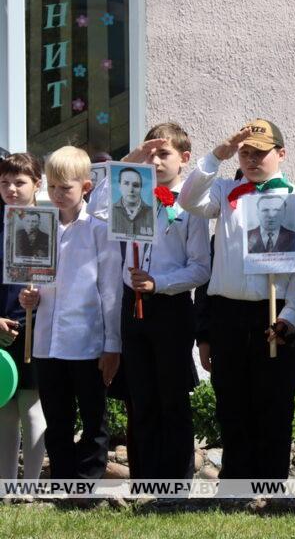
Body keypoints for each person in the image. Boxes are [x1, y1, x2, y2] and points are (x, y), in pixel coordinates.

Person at [178, 119, 295, 478]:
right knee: (231, 403)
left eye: (260, 153)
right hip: (228, 313)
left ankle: (270, 486)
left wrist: (290, 315)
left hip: (275, 314)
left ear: (281, 154)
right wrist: (218, 154)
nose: (252, 159)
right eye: (246, 153)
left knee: (273, 403)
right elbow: (187, 198)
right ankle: (236, 485)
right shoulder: (225, 192)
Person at [88, 122, 210, 479]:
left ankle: (175, 482)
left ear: (184, 159)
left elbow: (200, 268)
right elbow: (96, 210)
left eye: (163, 153)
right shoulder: (133, 192)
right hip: (132, 304)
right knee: (139, 397)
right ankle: (144, 480)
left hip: (170, 307)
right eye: (150, 153)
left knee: (171, 397)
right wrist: (129, 161)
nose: (155, 160)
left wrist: (160, 283)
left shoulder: (191, 206)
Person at [18, 146, 122, 479]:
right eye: (52, 187)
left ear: (86, 187)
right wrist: (29, 299)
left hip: (86, 339)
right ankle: (63, 479)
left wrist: (112, 344)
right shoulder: (40, 226)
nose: (58, 195)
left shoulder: (99, 229)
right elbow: (34, 281)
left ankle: (88, 480)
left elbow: (110, 290)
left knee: (93, 417)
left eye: (66, 188)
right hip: (47, 338)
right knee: (57, 416)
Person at [0, 153, 47, 482]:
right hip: (1, 329)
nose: (11, 189)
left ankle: (29, 485)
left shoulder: (48, 224)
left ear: (37, 184)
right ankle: (5, 485)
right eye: (4, 183)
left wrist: (39, 299)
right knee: (4, 410)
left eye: (20, 182)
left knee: (31, 406)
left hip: (35, 326)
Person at [112, 167, 155, 238]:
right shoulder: (109, 212)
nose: (131, 190)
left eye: (136, 185)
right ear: (119, 186)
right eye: (126, 184)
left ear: (141, 188)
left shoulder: (153, 213)